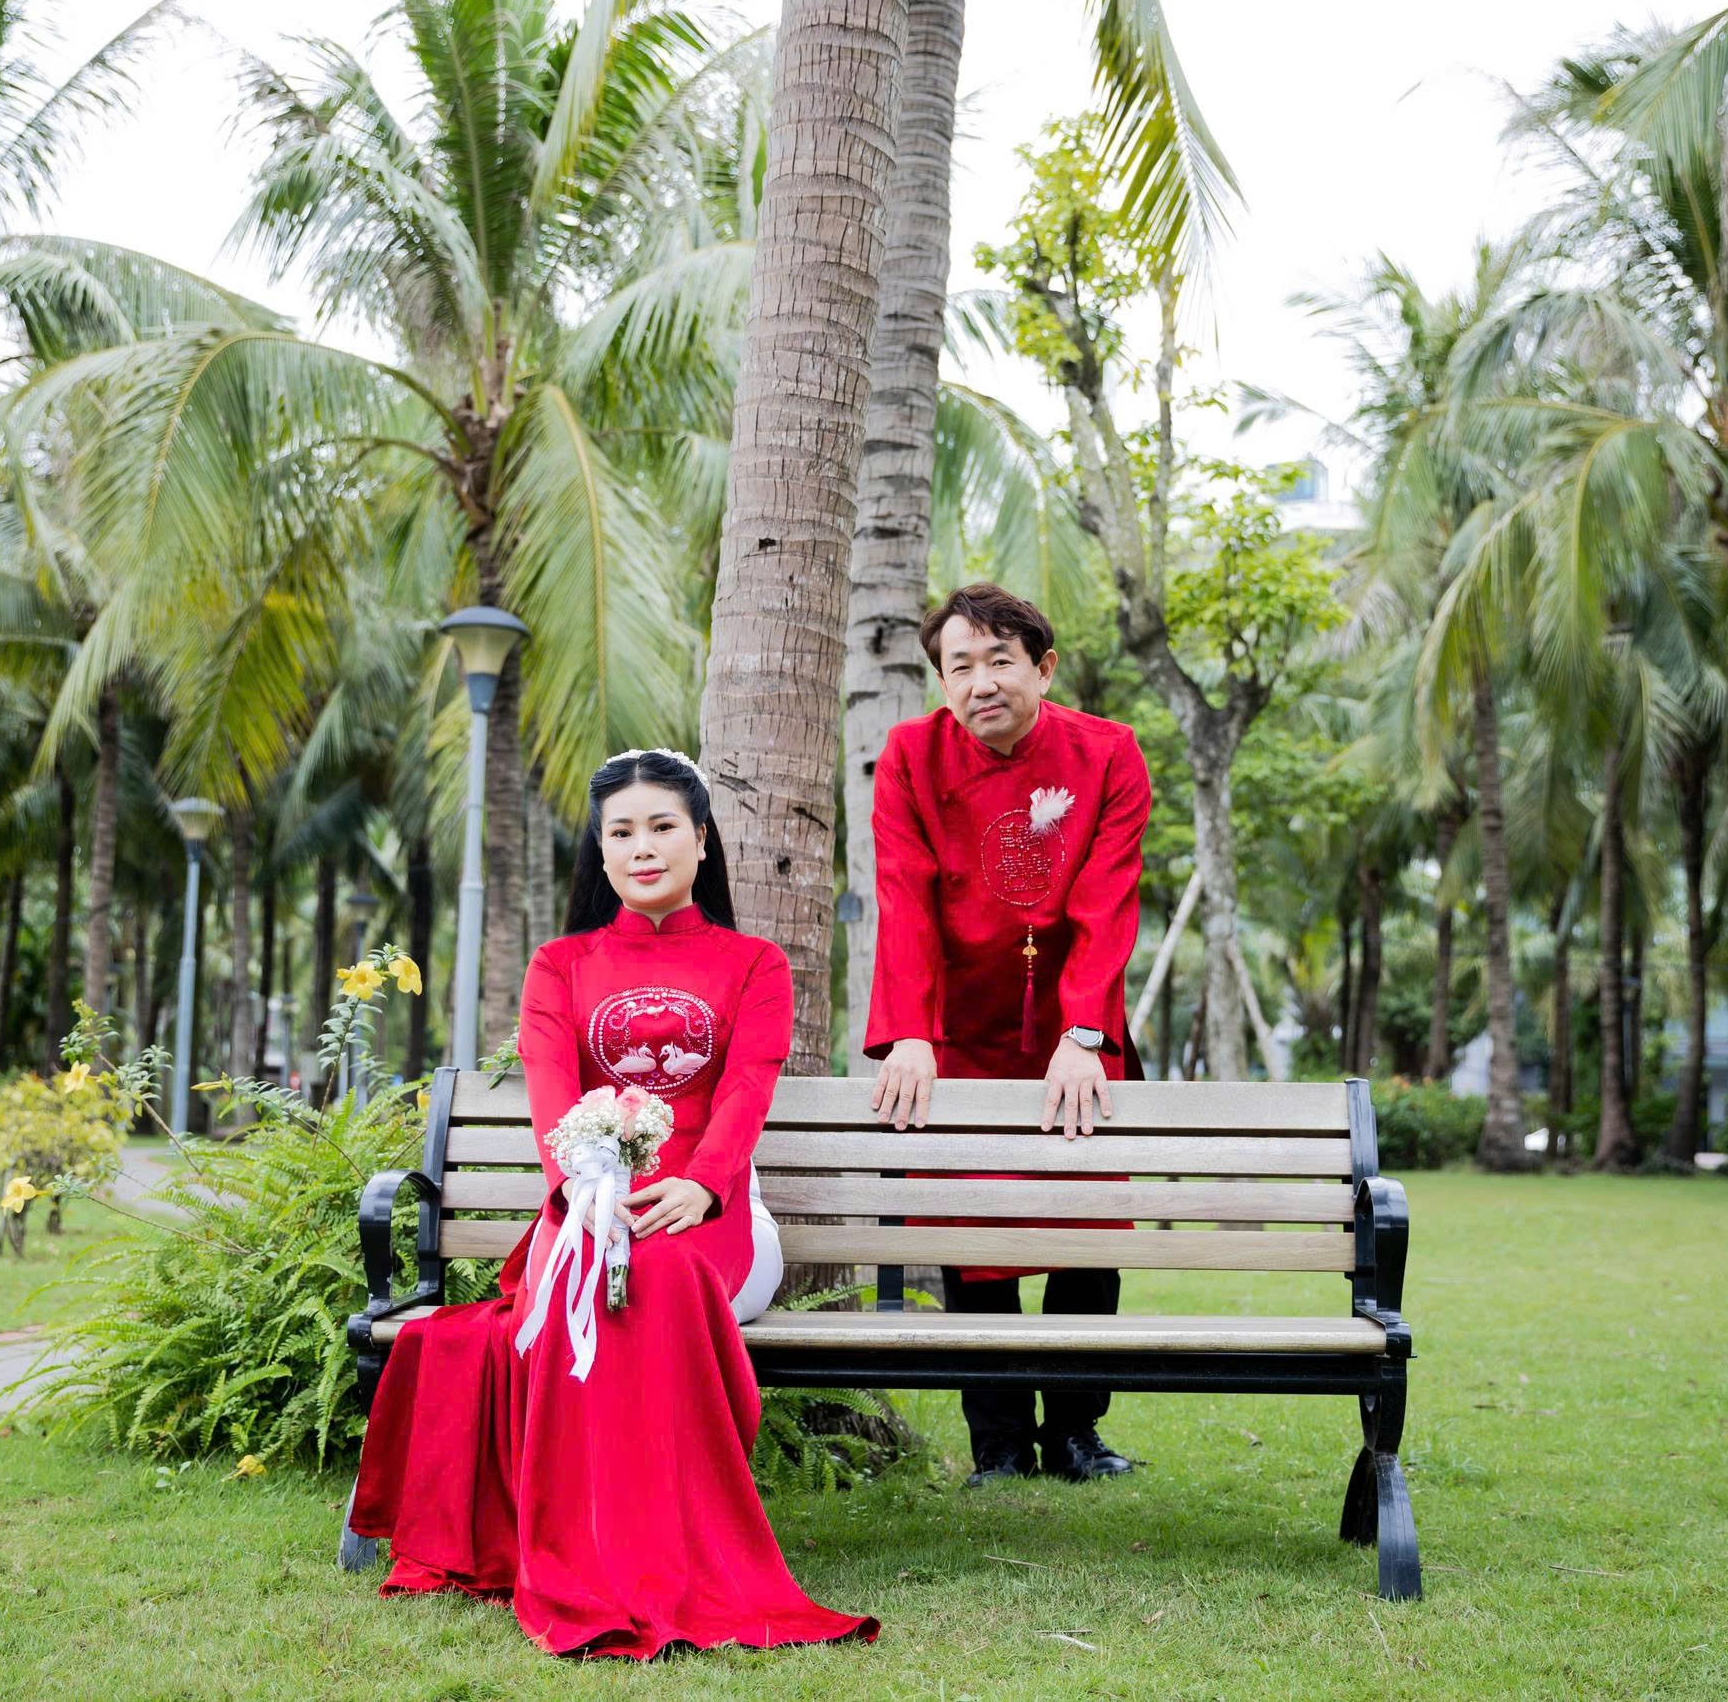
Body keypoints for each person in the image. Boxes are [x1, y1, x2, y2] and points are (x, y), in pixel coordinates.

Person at [349, 748, 876, 1659]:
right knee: (597, 1276)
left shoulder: (754, 964)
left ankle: (655, 1552)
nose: (642, 847)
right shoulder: (560, 965)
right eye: (621, 832)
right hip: (588, 1209)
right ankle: (592, 1546)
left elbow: (747, 1088)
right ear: (600, 851)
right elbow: (553, 1092)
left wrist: (701, 1183)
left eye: (663, 826)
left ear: (702, 840)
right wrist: (580, 1195)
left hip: (716, 1217)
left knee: (659, 1277)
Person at [863, 582, 1152, 1488]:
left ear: (1043, 666)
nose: (981, 682)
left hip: (1075, 1028)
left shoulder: (1109, 753)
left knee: (1085, 1229)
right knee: (974, 1236)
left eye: (1000, 660)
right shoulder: (909, 756)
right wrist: (911, 1032)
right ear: (943, 681)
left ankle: (1075, 1431)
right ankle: (998, 1443)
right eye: (960, 666)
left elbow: (1108, 896)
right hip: (956, 1031)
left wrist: (1084, 1030)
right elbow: (903, 895)